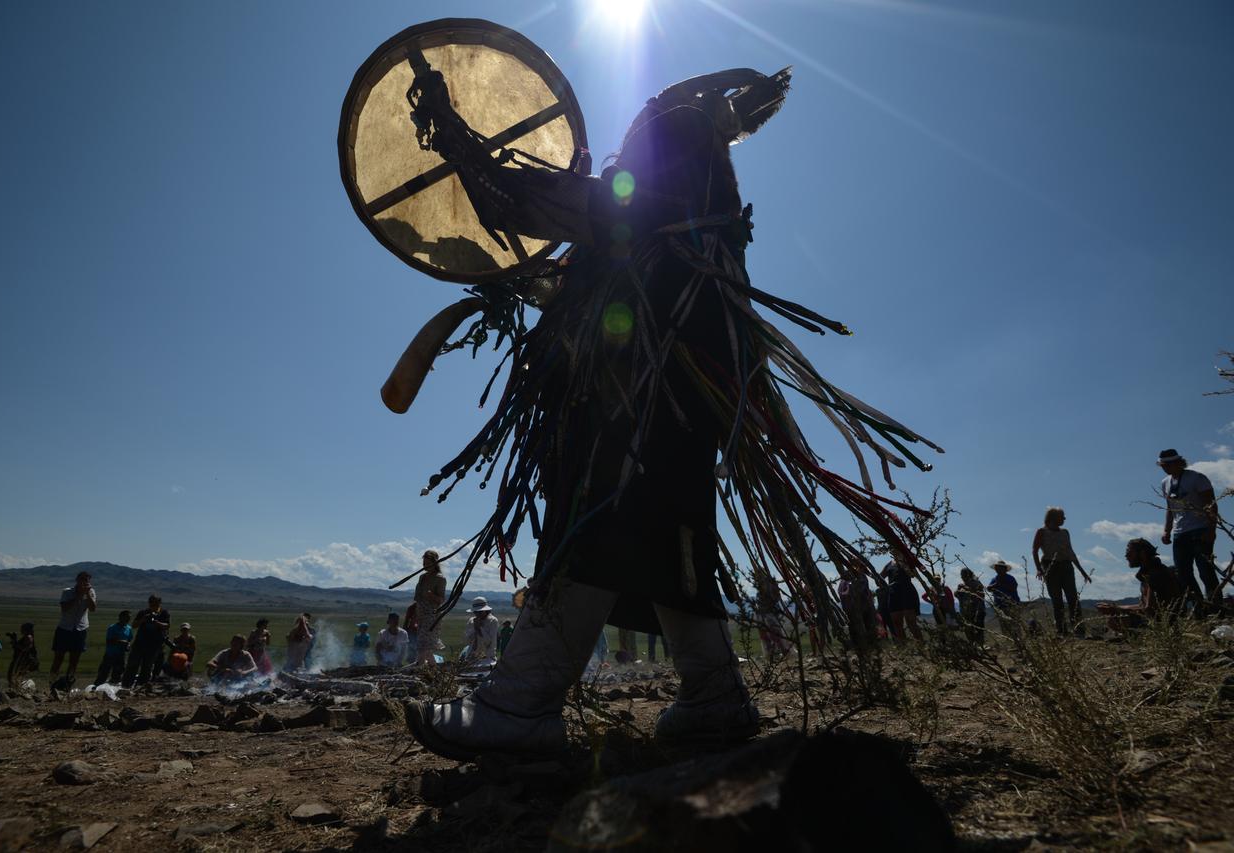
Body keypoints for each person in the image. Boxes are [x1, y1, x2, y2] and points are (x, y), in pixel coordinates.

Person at [396, 59, 938, 759]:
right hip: (683, 389)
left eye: (639, 143)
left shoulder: (656, 201)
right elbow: (581, 253)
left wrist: (453, 130)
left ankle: (522, 701)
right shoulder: (687, 218)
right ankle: (714, 697)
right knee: (670, 529)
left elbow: (520, 199)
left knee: (599, 505)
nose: (628, 153)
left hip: (642, 390)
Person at [1158, 449, 1222, 610]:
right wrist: (1167, 530)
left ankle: (1217, 610)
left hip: (1200, 529)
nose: (1165, 468)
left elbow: (1211, 505)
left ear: (1178, 463)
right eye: (1163, 465)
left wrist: (1211, 530)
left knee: (1206, 571)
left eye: (1168, 464)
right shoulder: (1165, 482)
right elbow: (1170, 508)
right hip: (1180, 533)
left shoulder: (1197, 478)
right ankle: (1199, 609)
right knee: (1184, 574)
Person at [1031, 507, 1092, 636]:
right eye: (1062, 516)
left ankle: (1079, 630)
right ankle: (1062, 630)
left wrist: (1082, 571)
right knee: (1057, 600)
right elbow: (1035, 551)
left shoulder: (1065, 532)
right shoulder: (1042, 532)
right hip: (1050, 566)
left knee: (1073, 598)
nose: (1064, 519)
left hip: (1066, 566)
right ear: (1053, 518)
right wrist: (1039, 569)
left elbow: (1070, 552)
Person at [49, 570, 96, 689]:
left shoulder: (91, 592)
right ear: (77, 580)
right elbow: (64, 608)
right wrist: (79, 595)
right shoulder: (67, 592)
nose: (84, 582)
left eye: (87, 580)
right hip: (65, 628)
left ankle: (68, 685)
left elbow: (92, 608)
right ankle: (51, 683)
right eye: (82, 579)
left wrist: (88, 595)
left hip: (80, 629)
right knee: (58, 658)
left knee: (74, 660)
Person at [122, 595, 170, 688]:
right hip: (140, 643)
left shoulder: (164, 613)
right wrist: (143, 619)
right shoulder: (143, 612)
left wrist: (157, 623)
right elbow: (134, 625)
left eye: (156, 603)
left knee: (147, 666)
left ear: (159, 603)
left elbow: (167, 625)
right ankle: (126, 685)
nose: (153, 605)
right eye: (151, 602)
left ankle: (141, 686)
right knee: (133, 664)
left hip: (154, 645)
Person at [412, 551, 446, 666]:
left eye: (427, 563)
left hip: (432, 615)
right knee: (425, 646)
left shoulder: (440, 579)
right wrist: (416, 617)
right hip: (421, 614)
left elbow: (441, 599)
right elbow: (418, 599)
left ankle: (419, 666)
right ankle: (434, 670)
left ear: (434, 563)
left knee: (424, 645)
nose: (424, 565)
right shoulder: (422, 577)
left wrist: (432, 596)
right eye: (423, 563)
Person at [882, 560, 924, 644]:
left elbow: (913, 575)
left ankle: (922, 646)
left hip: (906, 592)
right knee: (896, 622)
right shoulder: (889, 564)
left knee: (911, 622)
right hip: (893, 593)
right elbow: (880, 577)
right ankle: (904, 647)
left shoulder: (907, 561)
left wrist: (904, 565)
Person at [838, 571, 877, 651]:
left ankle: (867, 646)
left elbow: (863, 592)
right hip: (856, 609)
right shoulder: (845, 582)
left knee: (865, 627)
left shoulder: (859, 577)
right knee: (857, 628)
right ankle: (860, 647)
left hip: (861, 609)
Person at [93, 610, 132, 687]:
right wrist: (122, 642)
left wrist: (128, 645)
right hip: (110, 654)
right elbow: (109, 641)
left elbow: (129, 639)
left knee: (118, 673)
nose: (128, 620)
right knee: (103, 673)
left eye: (129, 618)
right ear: (120, 617)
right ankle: (96, 687)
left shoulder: (129, 628)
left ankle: (113, 688)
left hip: (121, 655)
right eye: (126, 617)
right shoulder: (112, 628)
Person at [986, 561, 1021, 633]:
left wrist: (1002, 584)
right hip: (1000, 606)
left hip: (1011, 605)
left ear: (1004, 569)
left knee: (1014, 625)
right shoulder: (994, 579)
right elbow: (988, 588)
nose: (997, 570)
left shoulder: (1010, 578)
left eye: (999, 568)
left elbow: (1013, 588)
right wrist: (996, 584)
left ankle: (1018, 641)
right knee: (1004, 626)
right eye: (996, 568)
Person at [462, 597, 499, 663]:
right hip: (471, 656)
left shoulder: (493, 621)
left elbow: (489, 642)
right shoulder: (471, 621)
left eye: (480, 612)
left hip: (488, 657)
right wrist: (475, 628)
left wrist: (480, 628)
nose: (477, 614)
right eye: (475, 612)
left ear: (485, 611)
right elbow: (467, 640)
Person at [955, 569, 986, 644]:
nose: (962, 577)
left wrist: (969, 589)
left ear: (968, 575)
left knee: (978, 629)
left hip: (977, 611)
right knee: (968, 629)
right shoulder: (962, 585)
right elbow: (957, 595)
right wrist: (958, 590)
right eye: (962, 575)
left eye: (964, 575)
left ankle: (980, 645)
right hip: (966, 612)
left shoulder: (976, 583)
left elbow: (982, 595)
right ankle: (974, 645)